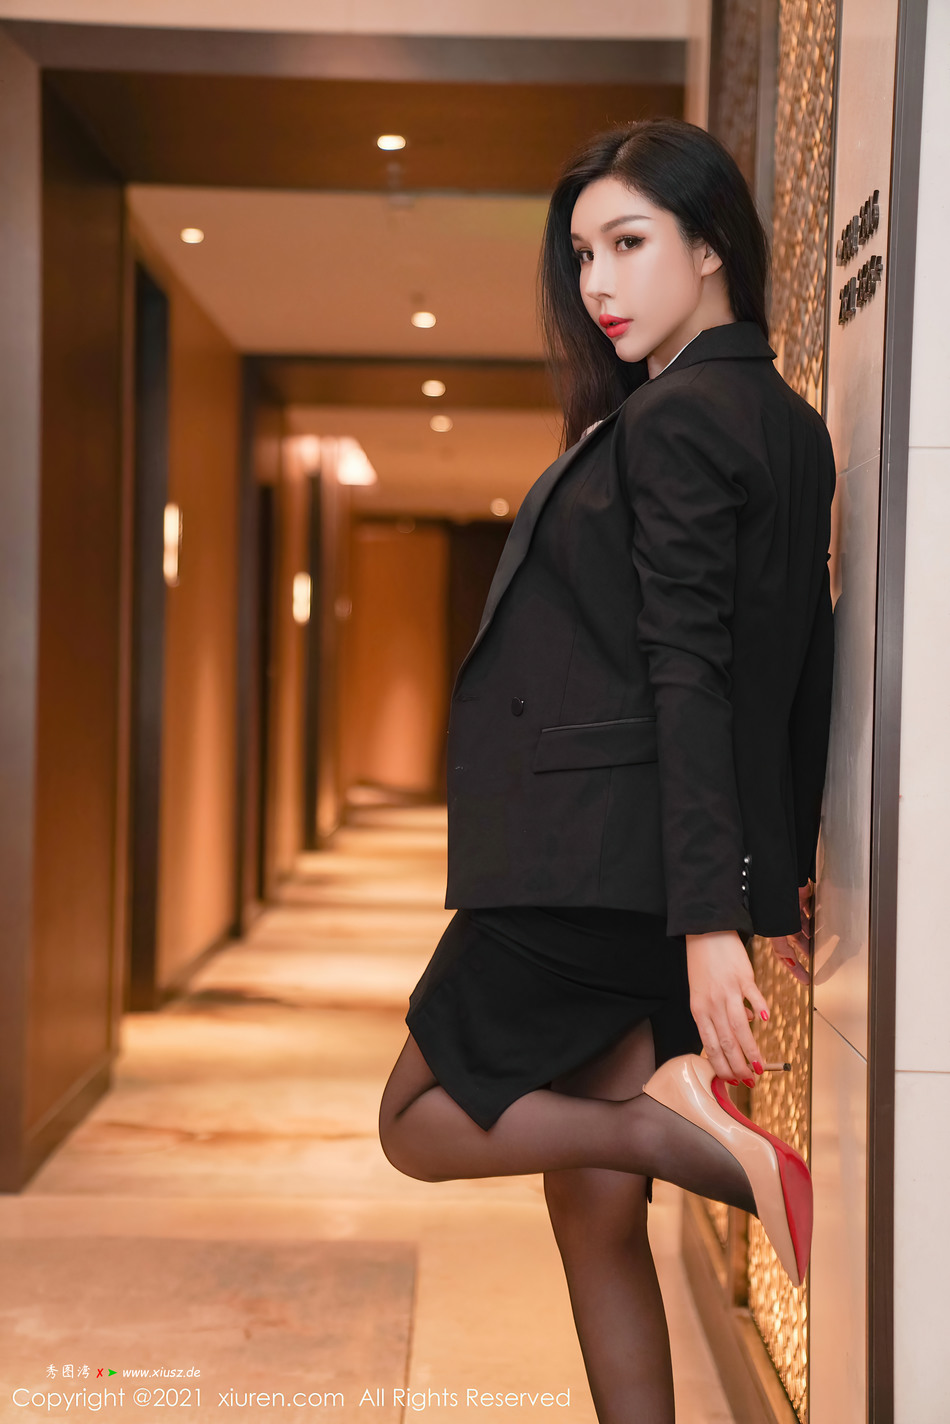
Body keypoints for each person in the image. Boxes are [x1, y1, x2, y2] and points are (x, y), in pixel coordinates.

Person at [378, 118, 835, 1424]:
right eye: (582, 254)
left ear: (710, 244)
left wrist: (712, 918)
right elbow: (793, 656)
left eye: (628, 244)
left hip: (592, 867)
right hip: (648, 868)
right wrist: (771, 870)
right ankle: (651, 1129)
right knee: (589, 1215)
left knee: (415, 1120)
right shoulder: (784, 422)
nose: (596, 284)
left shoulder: (677, 420)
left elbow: (694, 668)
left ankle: (669, 1127)